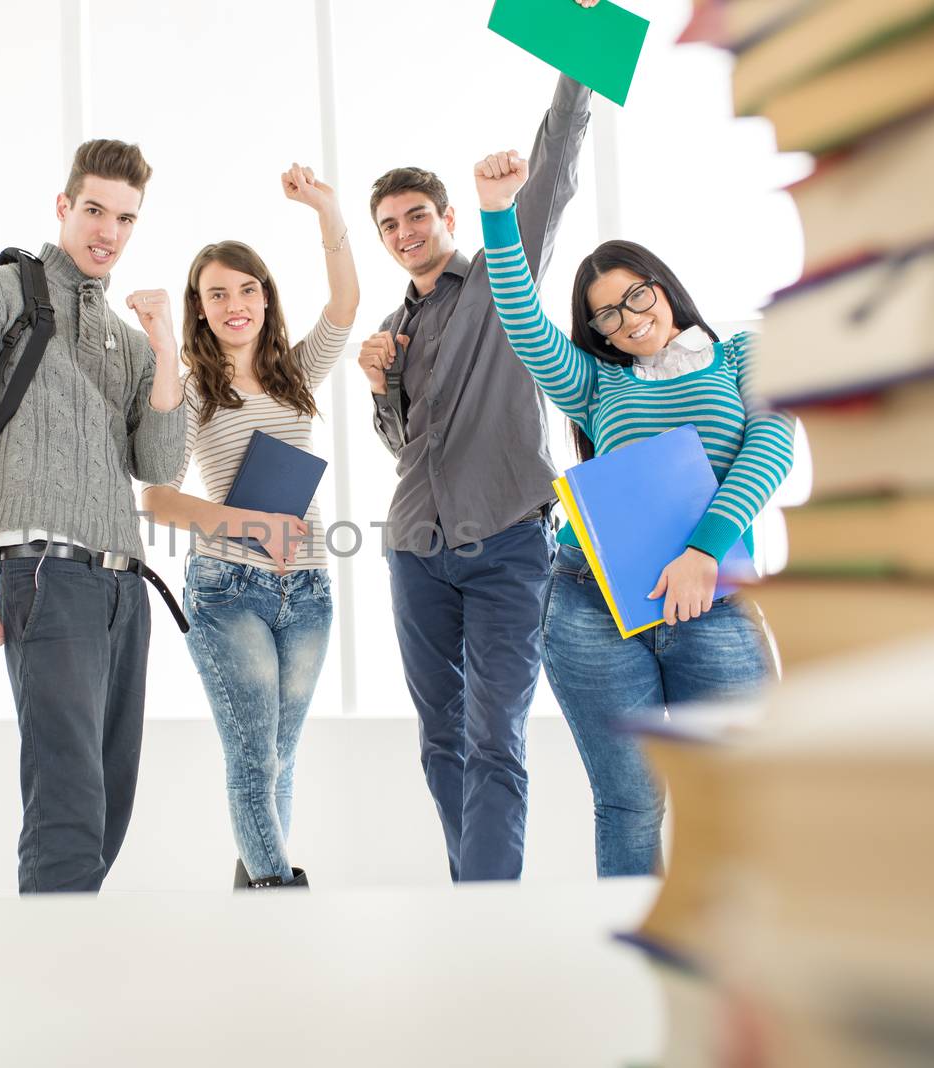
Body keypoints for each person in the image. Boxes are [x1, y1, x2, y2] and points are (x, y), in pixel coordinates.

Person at [474, 147, 795, 877]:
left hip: (711, 600)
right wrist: (498, 214)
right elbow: (523, 322)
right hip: (595, 609)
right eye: (607, 317)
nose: (627, 321)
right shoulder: (596, 384)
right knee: (628, 802)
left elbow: (770, 449)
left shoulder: (744, 353)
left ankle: (737, 973)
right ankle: (634, 975)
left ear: (664, 287)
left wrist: (704, 550)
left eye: (636, 298)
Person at [0, 138, 187, 894]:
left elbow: (161, 465)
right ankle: (54, 988)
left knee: (108, 807)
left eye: (126, 218)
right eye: (95, 209)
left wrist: (165, 346)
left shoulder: (131, 344)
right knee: (67, 803)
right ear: (64, 206)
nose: (108, 231)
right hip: (43, 573)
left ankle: (67, 968)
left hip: (126, 589)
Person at [355, 72, 592, 883]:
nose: (404, 231)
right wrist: (379, 384)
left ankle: (490, 920)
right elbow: (403, 446)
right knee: (440, 741)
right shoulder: (392, 329)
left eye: (417, 215)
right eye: (389, 225)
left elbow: (553, 174)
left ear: (447, 217)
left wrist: (578, 72)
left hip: (509, 545)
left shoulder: (502, 273)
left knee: (497, 738)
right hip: (416, 551)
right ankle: (474, 910)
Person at [142, 164, 358, 890]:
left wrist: (326, 210)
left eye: (247, 288)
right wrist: (247, 524)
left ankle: (259, 894)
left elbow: (346, 303)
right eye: (216, 294)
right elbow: (157, 500)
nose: (235, 304)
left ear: (265, 296)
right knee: (253, 757)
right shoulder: (190, 385)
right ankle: (279, 892)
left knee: (280, 755)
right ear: (199, 310)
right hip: (228, 587)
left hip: (309, 587)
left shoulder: (296, 374)